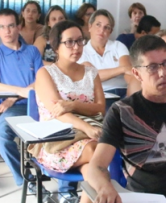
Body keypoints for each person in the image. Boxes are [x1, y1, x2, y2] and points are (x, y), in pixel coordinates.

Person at [83, 35, 166, 203]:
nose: (163, 73)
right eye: (152, 67)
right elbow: (96, 166)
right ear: (137, 73)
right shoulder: (122, 112)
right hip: (143, 198)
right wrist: (105, 187)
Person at [33, 20, 106, 202]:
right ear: (56, 46)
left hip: (91, 134)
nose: (76, 47)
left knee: (93, 168)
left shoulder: (91, 72)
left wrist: (73, 105)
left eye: (80, 41)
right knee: (98, 152)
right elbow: (58, 112)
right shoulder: (45, 73)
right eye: (69, 42)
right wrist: (87, 128)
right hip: (58, 141)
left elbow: (100, 108)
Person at [0, 8, 44, 188]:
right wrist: (18, 92)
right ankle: (26, 181)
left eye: (11, 26)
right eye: (2, 27)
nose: (7, 31)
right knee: (0, 135)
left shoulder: (32, 52)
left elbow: (42, 80)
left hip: (39, 105)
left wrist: (13, 97)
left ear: (18, 27)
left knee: (66, 129)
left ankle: (66, 189)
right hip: (16, 109)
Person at [78, 9, 133, 98]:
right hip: (101, 94)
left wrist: (132, 91)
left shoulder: (118, 46)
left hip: (124, 91)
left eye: (106, 27)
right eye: (98, 25)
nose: (101, 30)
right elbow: (93, 76)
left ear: (110, 31)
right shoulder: (81, 51)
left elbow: (128, 70)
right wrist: (121, 70)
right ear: (90, 27)